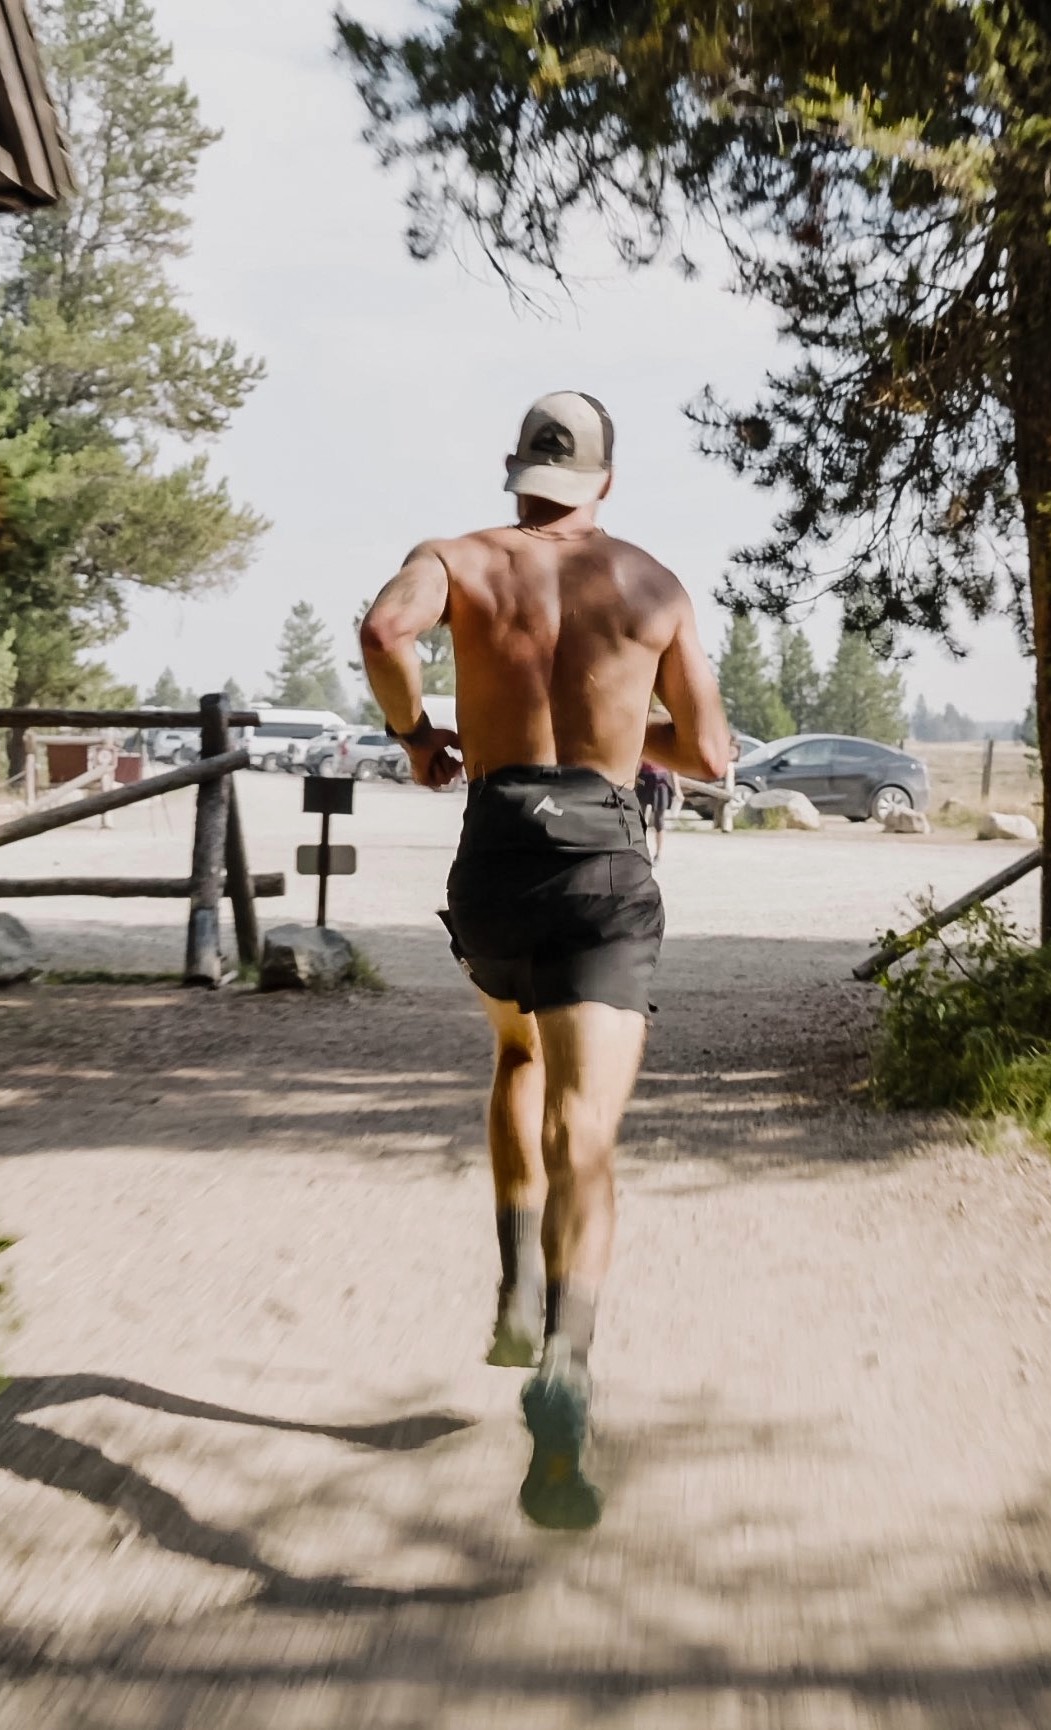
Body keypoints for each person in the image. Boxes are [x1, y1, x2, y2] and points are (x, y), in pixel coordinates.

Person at [359, 390, 732, 1530]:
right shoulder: (655, 584)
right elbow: (711, 754)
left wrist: (421, 735)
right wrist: (624, 738)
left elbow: (385, 634)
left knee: (517, 1056)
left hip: (497, 853)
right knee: (591, 1131)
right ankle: (565, 1360)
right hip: (603, 867)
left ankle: (516, 1282)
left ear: (515, 468)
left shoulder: (457, 559)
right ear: (605, 482)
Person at [634, 761, 676, 863]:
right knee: (640, 818)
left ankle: (658, 853)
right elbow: (639, 761)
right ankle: (640, 850)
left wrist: (676, 789)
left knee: (659, 819)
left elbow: (673, 767)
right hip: (645, 777)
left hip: (660, 780)